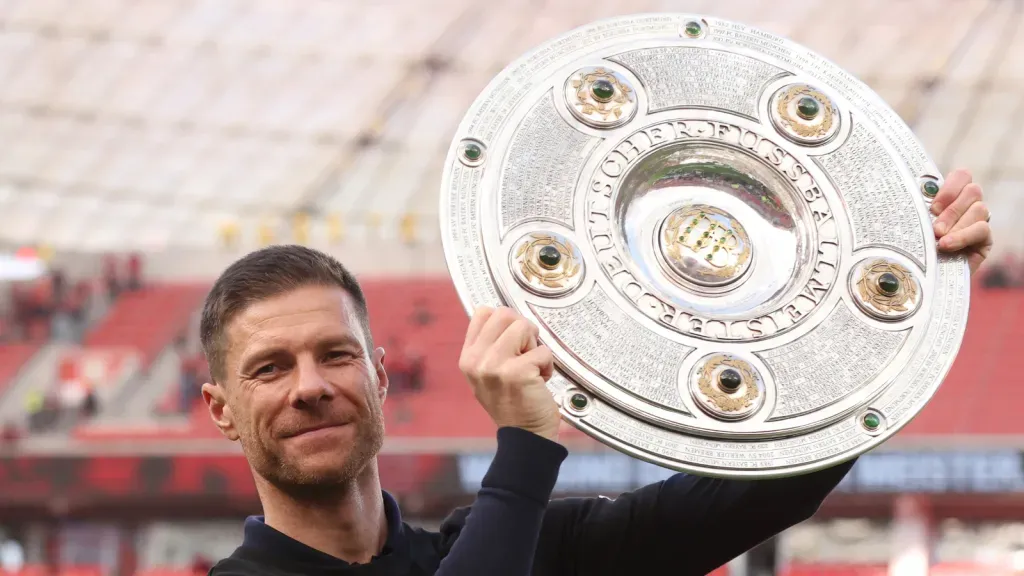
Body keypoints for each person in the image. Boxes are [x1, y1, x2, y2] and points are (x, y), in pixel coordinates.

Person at [201, 170, 991, 576]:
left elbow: (763, 489)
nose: (309, 385)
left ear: (378, 374)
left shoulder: (520, 544)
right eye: (269, 368)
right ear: (220, 409)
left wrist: (896, 301)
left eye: (334, 354)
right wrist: (524, 451)